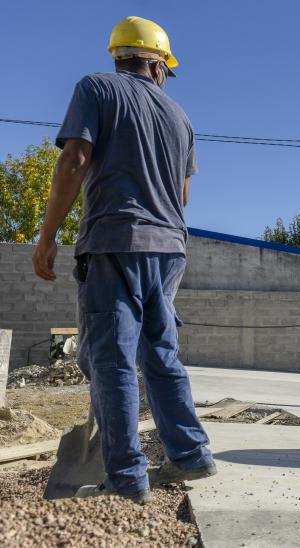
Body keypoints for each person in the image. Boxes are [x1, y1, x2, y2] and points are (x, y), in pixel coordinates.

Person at [32, 16, 215, 503]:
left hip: (115, 240)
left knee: (110, 359)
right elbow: (183, 194)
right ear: (158, 66)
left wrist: (47, 235)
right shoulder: (182, 117)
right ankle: (191, 454)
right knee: (161, 354)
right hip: (170, 247)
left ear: (118, 57)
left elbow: (74, 160)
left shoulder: (96, 88)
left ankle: (127, 476)